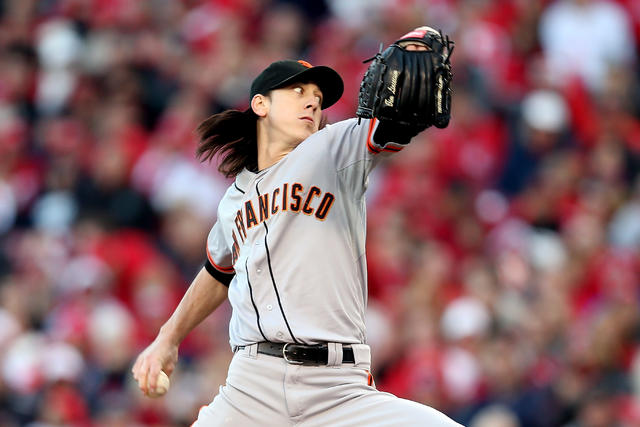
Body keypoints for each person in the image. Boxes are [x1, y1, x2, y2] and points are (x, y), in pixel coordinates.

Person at [132, 28, 462, 426]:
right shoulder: (233, 201)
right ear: (260, 104)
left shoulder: (336, 149)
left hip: (339, 390)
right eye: (298, 92)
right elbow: (217, 271)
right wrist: (168, 338)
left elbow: (389, 125)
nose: (313, 103)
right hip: (252, 387)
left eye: (318, 99)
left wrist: (413, 42)